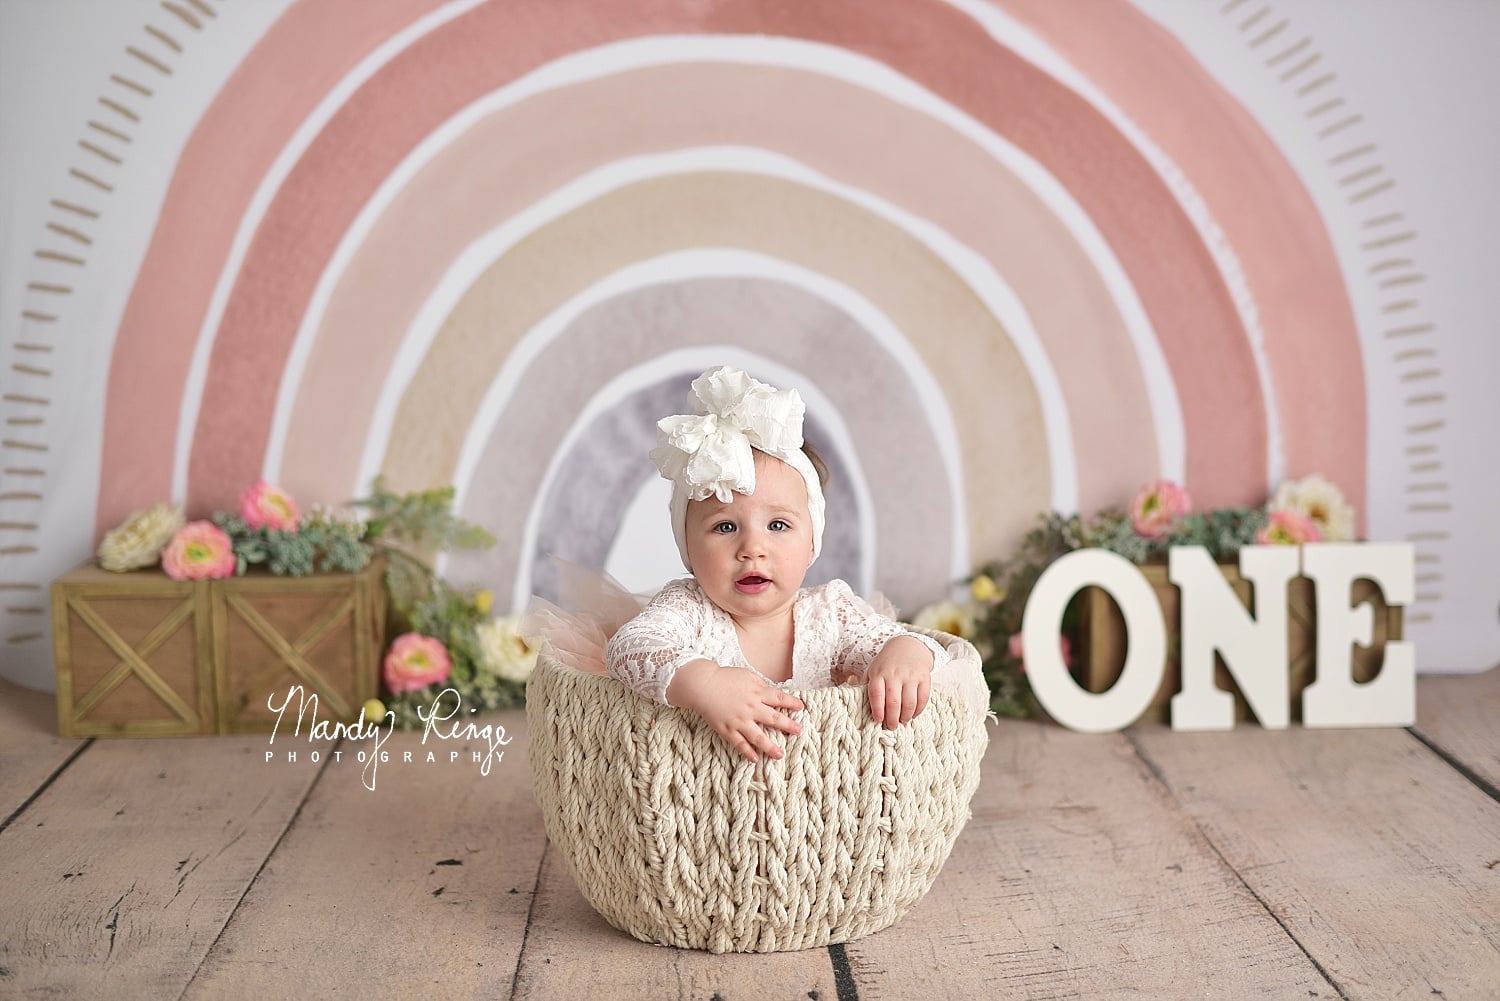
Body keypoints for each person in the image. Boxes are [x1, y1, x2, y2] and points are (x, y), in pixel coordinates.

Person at [605, 366, 950, 764]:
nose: (752, 547)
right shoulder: (688, 608)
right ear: (688, 547)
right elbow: (628, 649)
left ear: (811, 544)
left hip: (820, 779)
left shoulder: (831, 612)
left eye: (778, 525)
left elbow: (899, 645)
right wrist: (706, 682)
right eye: (725, 526)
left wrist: (905, 652)